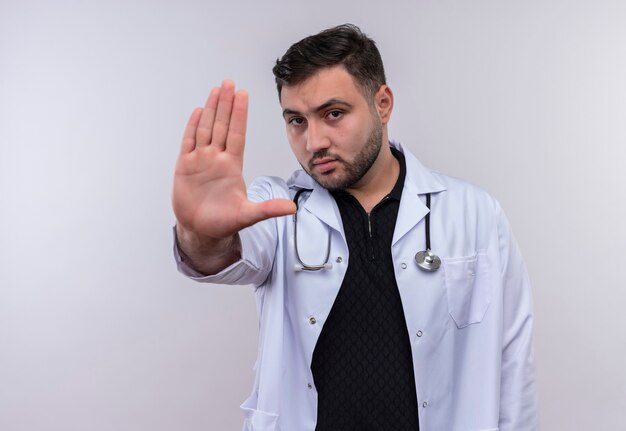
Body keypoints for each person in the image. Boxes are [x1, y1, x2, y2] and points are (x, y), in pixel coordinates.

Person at [172, 24, 537, 431]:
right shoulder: (275, 208)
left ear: (382, 103)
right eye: (296, 120)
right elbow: (221, 256)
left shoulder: (474, 212)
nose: (314, 142)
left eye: (333, 114)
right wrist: (200, 232)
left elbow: (513, 359)